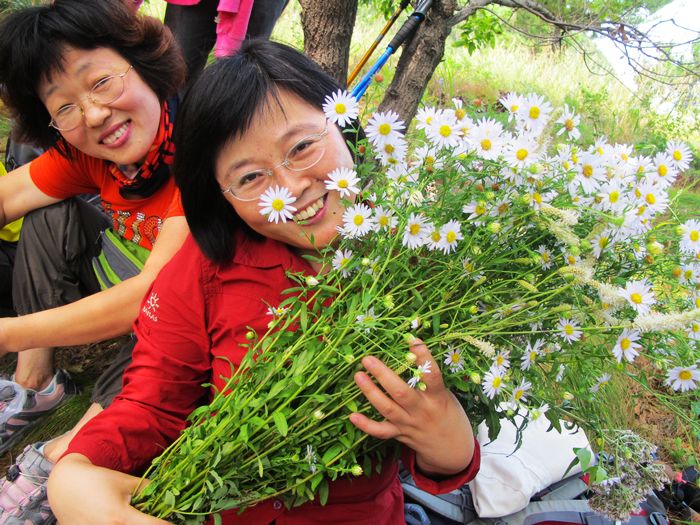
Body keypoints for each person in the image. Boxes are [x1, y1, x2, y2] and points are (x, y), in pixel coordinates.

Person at [47, 40, 481, 525]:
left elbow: (441, 458)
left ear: (340, 122)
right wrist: (77, 471)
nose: (291, 188)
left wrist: (450, 438)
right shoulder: (203, 268)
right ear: (221, 196)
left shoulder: (428, 260)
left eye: (302, 146)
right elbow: (152, 403)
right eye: (251, 178)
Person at [0, 0, 189, 522]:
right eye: (63, 107)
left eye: (101, 81)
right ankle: (35, 384)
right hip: (124, 286)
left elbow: (150, 298)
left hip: (181, 314)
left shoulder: (203, 150)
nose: (94, 114)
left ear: (143, 61)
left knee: (168, 326)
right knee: (46, 211)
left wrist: (5, 330)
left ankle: (76, 447)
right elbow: (7, 197)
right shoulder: (87, 151)